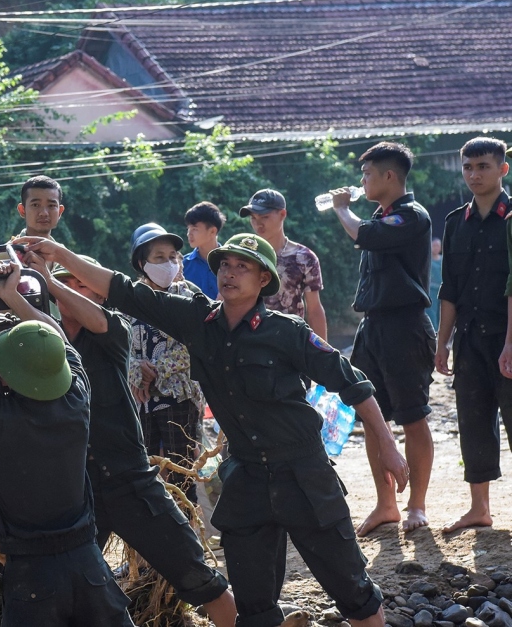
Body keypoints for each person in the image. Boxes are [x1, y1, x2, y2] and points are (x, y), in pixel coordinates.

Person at [21, 232, 407, 627]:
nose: (230, 273)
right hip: (247, 479)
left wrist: (389, 446)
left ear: (263, 281)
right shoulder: (196, 320)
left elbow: (354, 383)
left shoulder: (287, 332)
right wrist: (62, 255)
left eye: (243, 267)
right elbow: (123, 292)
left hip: (303, 474)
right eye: (225, 264)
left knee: (353, 593)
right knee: (255, 610)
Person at [30, 250, 236, 627]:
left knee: (199, 577)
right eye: (67, 286)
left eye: (83, 286)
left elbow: (93, 318)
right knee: (72, 592)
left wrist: (50, 279)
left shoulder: (113, 330)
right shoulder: (41, 342)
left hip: (131, 482)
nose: (75, 293)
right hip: (79, 492)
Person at [0, 264, 134, 627]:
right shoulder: (77, 398)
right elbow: (57, 338)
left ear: (3, 373)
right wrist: (14, 296)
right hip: (89, 564)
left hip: (32, 576)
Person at [329, 141, 434, 535]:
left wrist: (341, 207)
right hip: (372, 326)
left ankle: (417, 504)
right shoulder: (380, 215)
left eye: (368, 174)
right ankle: (385, 503)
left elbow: (365, 236)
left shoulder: (412, 216)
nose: (362, 181)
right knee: (371, 416)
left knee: (413, 414)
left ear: (390, 176)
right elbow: (368, 234)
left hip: (405, 326)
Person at [437, 138, 512, 533]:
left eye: (482, 166)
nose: (474, 174)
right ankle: (479, 508)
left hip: (508, 337)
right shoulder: (454, 223)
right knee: (474, 421)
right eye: (468, 167)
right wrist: (442, 343)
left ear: (503, 169)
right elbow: (449, 288)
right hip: (469, 338)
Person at [125, 224, 206, 507]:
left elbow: (197, 343)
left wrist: (155, 369)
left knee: (181, 475)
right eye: (159, 257)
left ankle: (190, 537)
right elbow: (120, 347)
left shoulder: (189, 296)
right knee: (147, 473)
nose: (169, 263)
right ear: (141, 262)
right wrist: (136, 370)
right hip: (142, 402)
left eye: (173, 256)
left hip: (179, 398)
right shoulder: (129, 300)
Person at [240, 189, 329, 338]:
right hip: (248, 341)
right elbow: (227, 300)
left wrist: (324, 355)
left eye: (264, 217)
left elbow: (314, 309)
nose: (258, 224)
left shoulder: (304, 258)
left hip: (290, 341)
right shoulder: (243, 255)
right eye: (253, 218)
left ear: (282, 214)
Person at [183, 201, 225, 298]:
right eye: (188, 229)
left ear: (212, 231)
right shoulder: (183, 266)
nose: (189, 234)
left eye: (194, 229)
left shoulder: (230, 263)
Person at [16, 175, 64, 240]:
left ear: (60, 211)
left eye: (51, 205)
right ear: (22, 210)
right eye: (35, 205)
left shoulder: (61, 250)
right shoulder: (8, 250)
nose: (44, 213)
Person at [429, 238, 442, 331]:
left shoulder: (443, 260)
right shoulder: (428, 260)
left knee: (441, 312)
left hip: (442, 288)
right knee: (431, 311)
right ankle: (434, 331)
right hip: (431, 289)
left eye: (438, 246)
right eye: (434, 245)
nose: (436, 248)